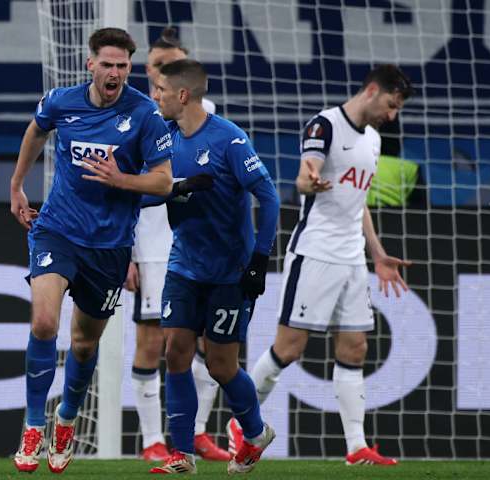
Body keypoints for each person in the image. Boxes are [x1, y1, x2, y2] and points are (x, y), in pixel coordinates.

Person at [227, 64, 415, 466]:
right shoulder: (325, 125)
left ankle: (356, 448)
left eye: (397, 109)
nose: (392, 114)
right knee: (289, 348)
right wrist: (310, 181)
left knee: (356, 347)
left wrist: (377, 254)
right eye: (391, 104)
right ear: (372, 90)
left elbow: (357, 201)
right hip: (315, 253)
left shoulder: (375, 141)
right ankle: (242, 423)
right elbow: (302, 178)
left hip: (352, 258)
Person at [9, 27, 177, 474]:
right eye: (107, 64)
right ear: (90, 65)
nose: (115, 73)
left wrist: (122, 179)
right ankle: (31, 426)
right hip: (58, 229)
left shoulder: (144, 114)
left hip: (108, 246)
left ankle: (65, 419)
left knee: (84, 345)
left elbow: (163, 181)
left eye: (122, 66)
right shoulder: (62, 101)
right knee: (44, 321)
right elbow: (35, 131)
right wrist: (17, 186)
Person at [147, 59, 280, 474]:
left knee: (222, 365)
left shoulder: (229, 140)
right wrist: (177, 188)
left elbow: (271, 198)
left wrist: (259, 259)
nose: (156, 98)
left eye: (161, 91)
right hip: (184, 265)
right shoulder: (163, 139)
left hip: (229, 273)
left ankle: (256, 433)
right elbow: (145, 192)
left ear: (182, 95)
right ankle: (182, 454)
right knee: (175, 353)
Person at [125, 27, 229, 463]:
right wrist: (124, 251)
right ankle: (152, 439)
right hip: (151, 241)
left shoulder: (209, 116)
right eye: (158, 65)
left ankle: (199, 433)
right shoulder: (131, 117)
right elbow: (124, 188)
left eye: (173, 65)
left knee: (206, 338)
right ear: (148, 71)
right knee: (153, 340)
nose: (165, 73)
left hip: (198, 241)